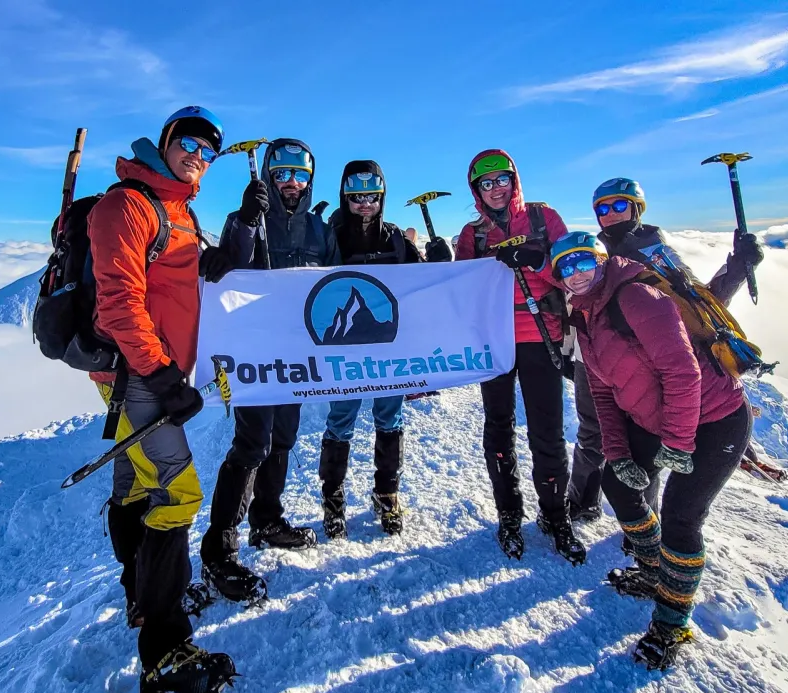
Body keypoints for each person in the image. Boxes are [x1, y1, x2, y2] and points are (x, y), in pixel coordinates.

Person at [89, 106, 237, 693]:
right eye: (190, 143)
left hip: (149, 370)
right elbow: (120, 304)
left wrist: (209, 263)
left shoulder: (176, 208)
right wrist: (163, 375)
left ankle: (143, 596)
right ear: (167, 142)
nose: (199, 155)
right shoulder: (128, 204)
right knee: (178, 494)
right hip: (141, 372)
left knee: (134, 487)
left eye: (209, 150)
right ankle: (165, 652)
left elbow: (168, 275)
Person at [551, 231, 753, 670]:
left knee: (681, 519)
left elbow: (682, 372)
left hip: (717, 420)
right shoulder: (586, 318)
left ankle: (671, 623)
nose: (576, 273)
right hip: (661, 422)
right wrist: (619, 453)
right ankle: (652, 569)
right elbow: (604, 395)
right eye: (565, 267)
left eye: (583, 260)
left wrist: (678, 444)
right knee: (616, 483)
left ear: (603, 260)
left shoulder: (639, 297)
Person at [567, 178, 763, 527]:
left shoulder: (655, 251)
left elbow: (698, 304)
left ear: (637, 207)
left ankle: (644, 520)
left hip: (654, 363)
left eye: (618, 205)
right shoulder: (595, 253)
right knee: (596, 432)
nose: (609, 214)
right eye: (602, 209)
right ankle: (584, 502)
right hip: (597, 359)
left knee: (645, 441)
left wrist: (735, 270)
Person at [202, 139, 338, 603]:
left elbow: (340, 281)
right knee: (252, 442)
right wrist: (243, 222)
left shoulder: (321, 231)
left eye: (300, 175)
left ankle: (266, 520)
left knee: (282, 438)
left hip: (298, 355)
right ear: (268, 176)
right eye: (281, 174)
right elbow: (229, 269)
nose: (291, 184)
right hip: (255, 355)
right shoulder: (247, 219)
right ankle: (220, 546)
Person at [453, 149, 586, 565]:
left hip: (541, 337)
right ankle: (509, 514)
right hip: (494, 341)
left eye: (501, 180)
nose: (495, 190)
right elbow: (459, 290)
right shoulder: (471, 235)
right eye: (485, 184)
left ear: (514, 180)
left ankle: (555, 515)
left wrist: (538, 261)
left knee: (547, 431)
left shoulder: (545, 220)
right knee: (499, 429)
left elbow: (575, 270)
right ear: (477, 190)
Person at [317, 161, 451, 540]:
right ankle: (333, 496)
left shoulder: (394, 238)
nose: (364, 204)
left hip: (388, 351)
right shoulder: (332, 236)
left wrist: (439, 263)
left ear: (382, 198)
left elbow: (422, 284)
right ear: (346, 196)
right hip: (342, 350)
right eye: (356, 197)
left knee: (389, 420)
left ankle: (387, 492)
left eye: (372, 197)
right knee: (340, 420)